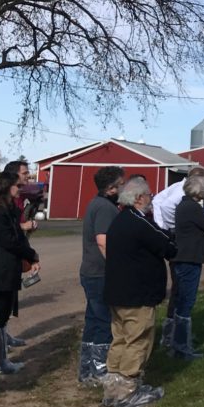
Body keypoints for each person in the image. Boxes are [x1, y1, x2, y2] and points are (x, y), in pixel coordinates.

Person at [101, 178, 177, 407]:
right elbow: (168, 246)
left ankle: (112, 390)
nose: (152, 199)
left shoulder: (118, 221)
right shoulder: (140, 222)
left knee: (120, 340)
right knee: (138, 341)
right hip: (137, 294)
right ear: (139, 198)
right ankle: (127, 393)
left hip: (117, 292)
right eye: (149, 195)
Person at [0, 172, 39, 375]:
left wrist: (30, 256)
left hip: (7, 269)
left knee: (1, 316)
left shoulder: (8, 209)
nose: (19, 188)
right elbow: (8, 240)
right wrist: (31, 254)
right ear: (7, 186)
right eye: (17, 185)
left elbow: (17, 236)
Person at [150, 165, 204, 348]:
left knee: (178, 289)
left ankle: (173, 334)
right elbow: (167, 206)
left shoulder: (181, 189)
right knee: (180, 290)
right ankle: (174, 337)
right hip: (174, 236)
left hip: (172, 233)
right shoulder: (179, 195)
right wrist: (173, 229)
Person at [78, 165, 125, 385]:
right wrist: (118, 269)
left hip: (92, 272)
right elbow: (102, 241)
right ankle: (99, 370)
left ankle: (87, 368)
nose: (124, 187)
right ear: (111, 188)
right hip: (100, 273)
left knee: (93, 320)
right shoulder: (105, 208)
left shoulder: (97, 203)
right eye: (121, 184)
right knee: (103, 321)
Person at [170, 176, 204, 359]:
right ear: (198, 191)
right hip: (190, 257)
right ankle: (182, 346)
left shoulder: (183, 205)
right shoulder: (192, 207)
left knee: (182, 299)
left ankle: (178, 341)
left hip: (183, 256)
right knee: (186, 301)